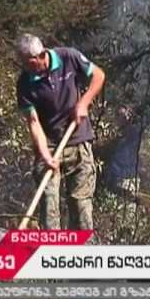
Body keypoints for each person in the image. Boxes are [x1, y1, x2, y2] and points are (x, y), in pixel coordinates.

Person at [16, 33, 105, 231]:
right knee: (49, 206)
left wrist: (83, 103)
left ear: (38, 57)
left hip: (78, 140)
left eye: (28, 64)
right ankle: (50, 254)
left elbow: (98, 75)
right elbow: (33, 122)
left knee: (80, 205)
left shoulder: (68, 57)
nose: (26, 69)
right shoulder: (24, 83)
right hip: (48, 145)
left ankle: (82, 254)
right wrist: (45, 155)